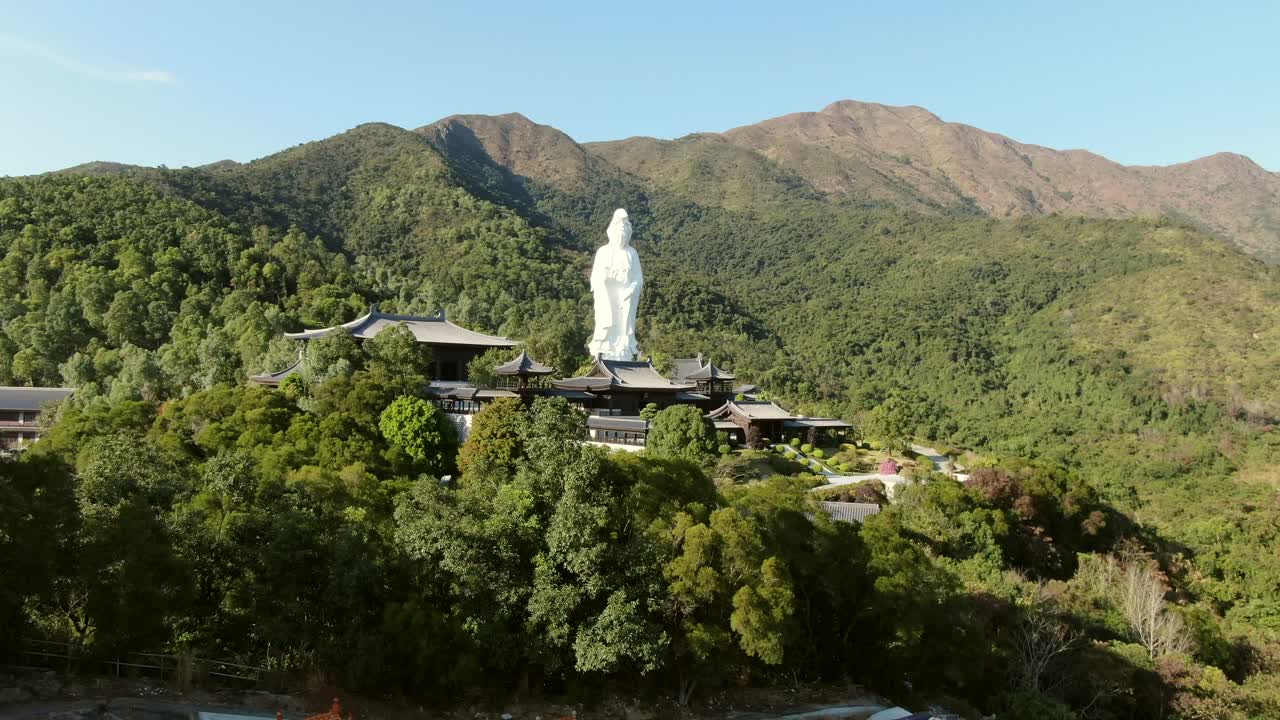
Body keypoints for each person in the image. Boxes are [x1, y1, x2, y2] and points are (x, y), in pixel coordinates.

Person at [587, 209, 644, 360]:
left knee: (623, 326)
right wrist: (604, 280)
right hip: (608, 296)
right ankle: (605, 348)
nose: (622, 235)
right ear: (611, 231)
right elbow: (596, 277)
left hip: (625, 297)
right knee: (606, 320)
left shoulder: (632, 253)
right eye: (619, 231)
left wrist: (631, 289)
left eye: (625, 232)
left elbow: (639, 278)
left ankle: (623, 349)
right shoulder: (603, 251)